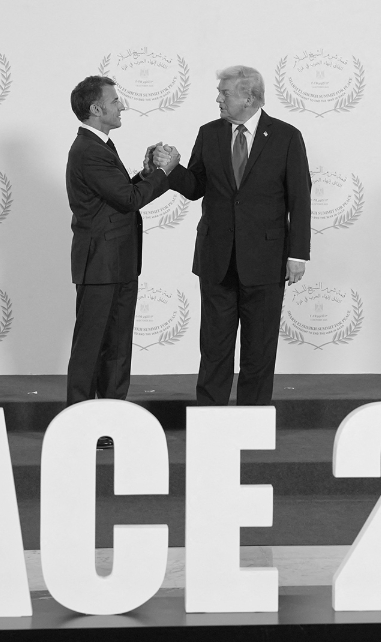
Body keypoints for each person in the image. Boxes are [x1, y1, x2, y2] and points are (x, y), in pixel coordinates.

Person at [161, 65, 311, 406]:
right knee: (214, 346)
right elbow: (196, 187)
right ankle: (209, 416)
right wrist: (172, 170)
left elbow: (300, 199)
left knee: (259, 348)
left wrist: (297, 254)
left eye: (224, 93)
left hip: (266, 260)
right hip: (217, 258)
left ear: (249, 98)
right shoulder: (209, 133)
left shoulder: (286, 137)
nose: (218, 99)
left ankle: (252, 419)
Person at [64, 75, 179, 447]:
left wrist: (145, 174)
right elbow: (129, 201)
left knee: (116, 347)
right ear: (96, 108)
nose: (122, 106)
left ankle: (110, 423)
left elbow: (118, 194)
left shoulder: (100, 146)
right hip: (101, 264)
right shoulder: (88, 150)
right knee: (92, 348)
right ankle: (80, 426)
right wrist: (163, 173)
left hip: (118, 262)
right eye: (115, 101)